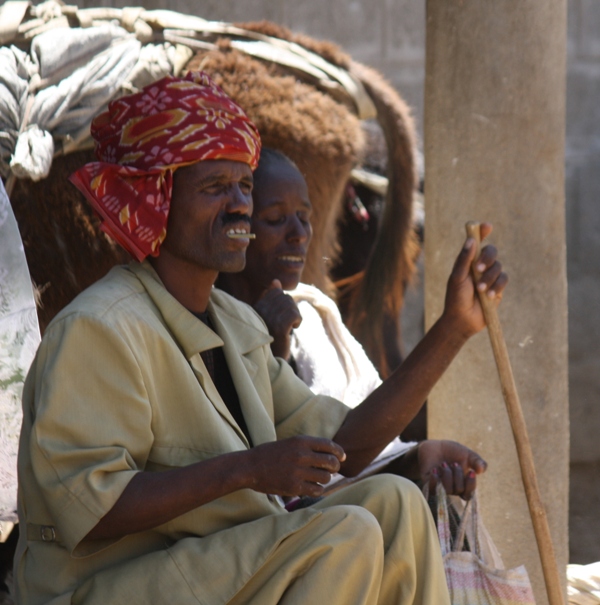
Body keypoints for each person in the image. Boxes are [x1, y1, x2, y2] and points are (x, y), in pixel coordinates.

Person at [15, 72, 507, 605]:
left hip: (206, 568)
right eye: (213, 188)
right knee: (347, 535)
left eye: (245, 185)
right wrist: (247, 469)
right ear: (156, 200)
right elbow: (93, 508)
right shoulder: (101, 328)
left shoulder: (235, 325)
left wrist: (454, 328)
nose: (240, 206)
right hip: (100, 586)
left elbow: (345, 447)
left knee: (395, 503)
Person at [217, 148, 489, 497]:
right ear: (237, 224)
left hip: (336, 525)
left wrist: (417, 460)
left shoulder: (316, 317)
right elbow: (323, 459)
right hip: (264, 539)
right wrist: (274, 352)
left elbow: (356, 449)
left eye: (304, 216)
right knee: (394, 501)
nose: (299, 234)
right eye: (275, 218)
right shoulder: (211, 330)